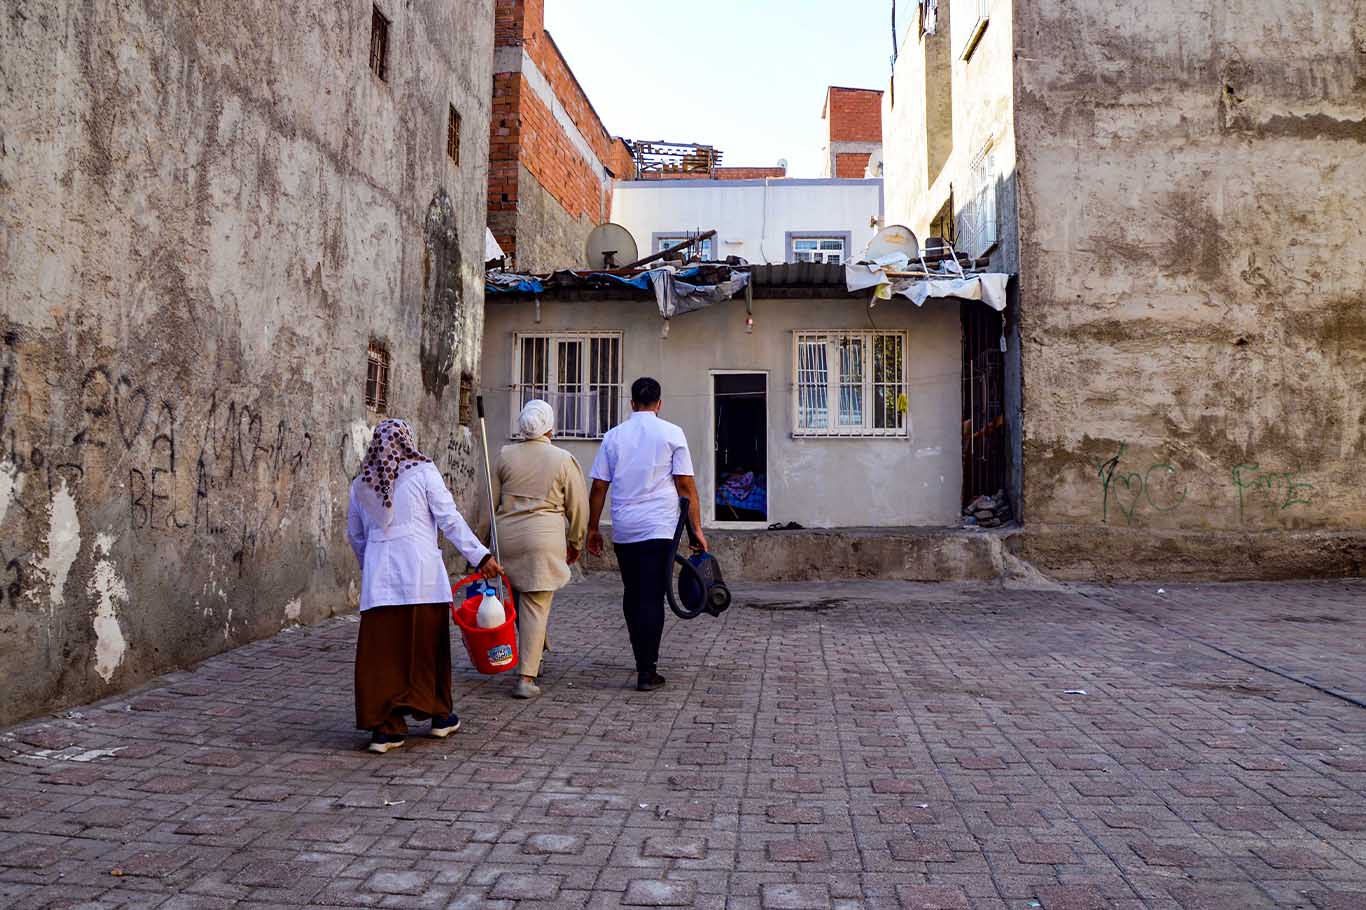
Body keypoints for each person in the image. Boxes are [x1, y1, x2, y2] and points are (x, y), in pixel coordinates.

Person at [346, 418, 502, 754]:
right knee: (426, 649)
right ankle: (438, 716)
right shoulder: (422, 472)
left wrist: (371, 566)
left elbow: (356, 537)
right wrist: (481, 557)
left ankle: (385, 729)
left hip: (381, 584)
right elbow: (449, 519)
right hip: (422, 579)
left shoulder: (362, 484)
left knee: (384, 655)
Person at [587, 377, 706, 692]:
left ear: (631, 403)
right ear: (659, 403)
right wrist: (697, 530)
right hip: (660, 529)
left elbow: (599, 486)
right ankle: (647, 668)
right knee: (653, 595)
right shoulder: (671, 433)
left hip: (626, 529)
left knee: (633, 592)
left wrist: (592, 527)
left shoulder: (613, 437)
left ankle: (641, 658)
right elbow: (685, 487)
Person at [480, 400, 588, 699]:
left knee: (517, 598)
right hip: (543, 539)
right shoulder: (563, 459)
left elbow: (489, 502)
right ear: (550, 427)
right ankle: (526, 677)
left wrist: (483, 546)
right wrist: (576, 543)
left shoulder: (504, 454)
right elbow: (579, 507)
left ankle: (535, 650)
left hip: (507, 539)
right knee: (536, 604)